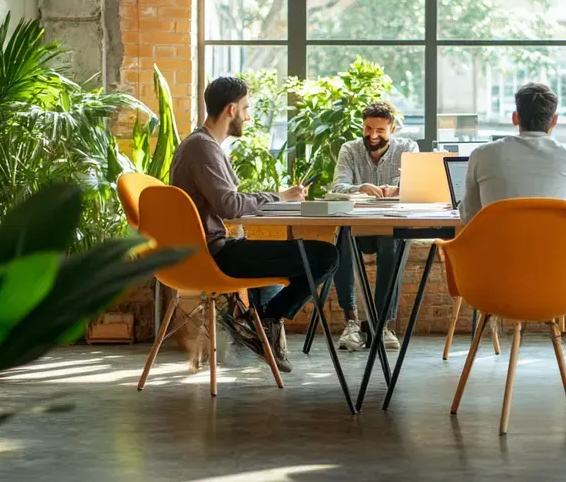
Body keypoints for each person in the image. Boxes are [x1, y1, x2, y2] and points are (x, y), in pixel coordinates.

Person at [169, 76, 339, 374]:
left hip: (205, 251)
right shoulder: (203, 148)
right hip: (213, 256)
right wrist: (278, 196)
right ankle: (266, 320)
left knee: (306, 255)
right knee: (326, 256)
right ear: (231, 110)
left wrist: (278, 197)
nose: (249, 116)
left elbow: (229, 201)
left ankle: (261, 322)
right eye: (246, 108)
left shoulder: (202, 145)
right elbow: (230, 206)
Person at [329, 101, 419, 352]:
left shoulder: (408, 148)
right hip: (357, 226)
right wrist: (360, 188)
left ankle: (383, 325)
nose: (373, 135)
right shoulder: (350, 149)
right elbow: (337, 187)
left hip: (390, 226)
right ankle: (351, 324)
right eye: (368, 128)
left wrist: (399, 189)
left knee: (393, 243)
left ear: (393, 128)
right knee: (342, 240)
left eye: (380, 130)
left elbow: (417, 185)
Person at [460, 82, 566, 223]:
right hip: (554, 244)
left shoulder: (482, 154)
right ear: (554, 121)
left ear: (515, 118)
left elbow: (468, 215)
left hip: (498, 244)